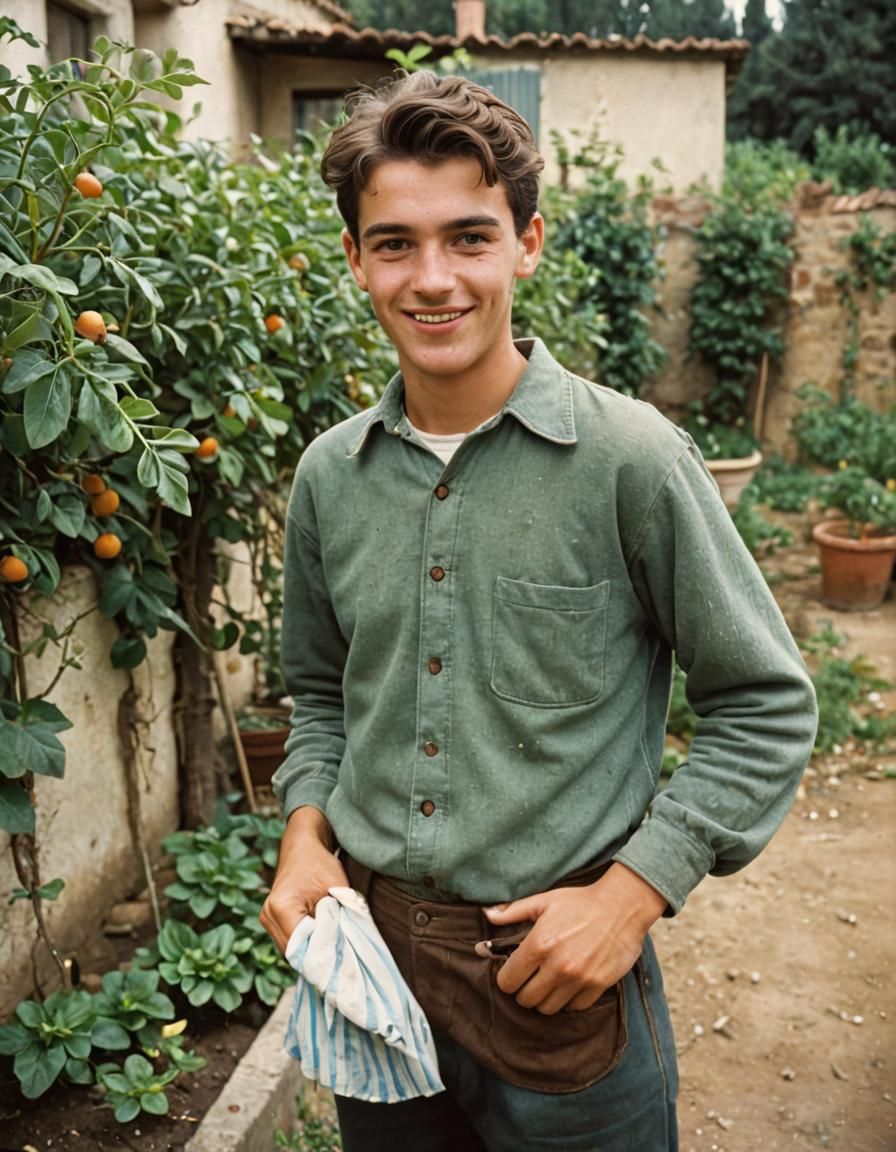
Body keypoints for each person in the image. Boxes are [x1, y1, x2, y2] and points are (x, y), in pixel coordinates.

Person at [261, 71, 818, 1152]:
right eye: (394, 243)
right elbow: (321, 696)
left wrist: (629, 897)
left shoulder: (630, 462)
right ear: (354, 260)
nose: (433, 279)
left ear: (526, 244)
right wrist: (302, 838)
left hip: (559, 987)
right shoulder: (329, 477)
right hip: (375, 972)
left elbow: (762, 703)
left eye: (469, 237)